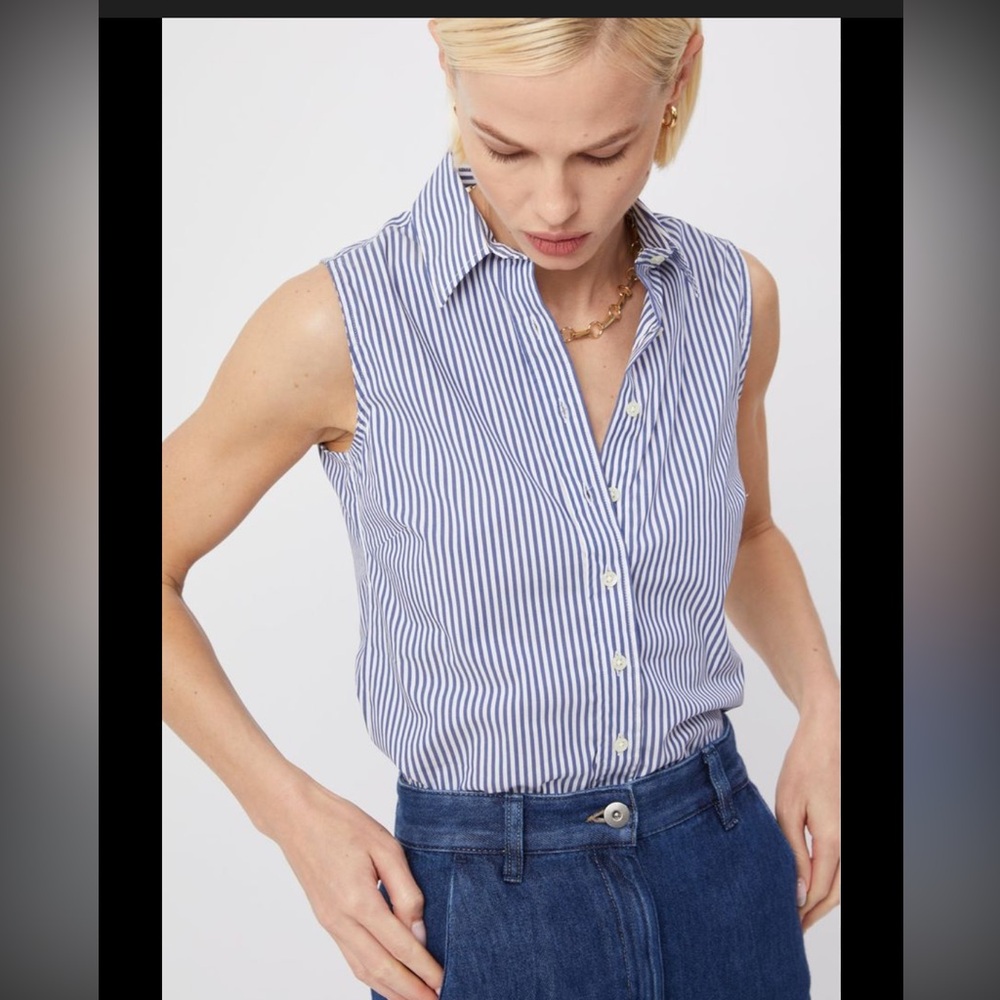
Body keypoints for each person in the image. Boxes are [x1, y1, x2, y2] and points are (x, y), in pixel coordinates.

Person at [162, 18, 840, 1000]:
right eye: (505, 149)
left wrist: (823, 704)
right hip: (484, 902)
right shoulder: (342, 324)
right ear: (449, 78)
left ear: (679, 77)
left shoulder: (733, 299)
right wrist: (290, 815)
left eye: (605, 152)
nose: (553, 202)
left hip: (721, 862)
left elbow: (747, 531)